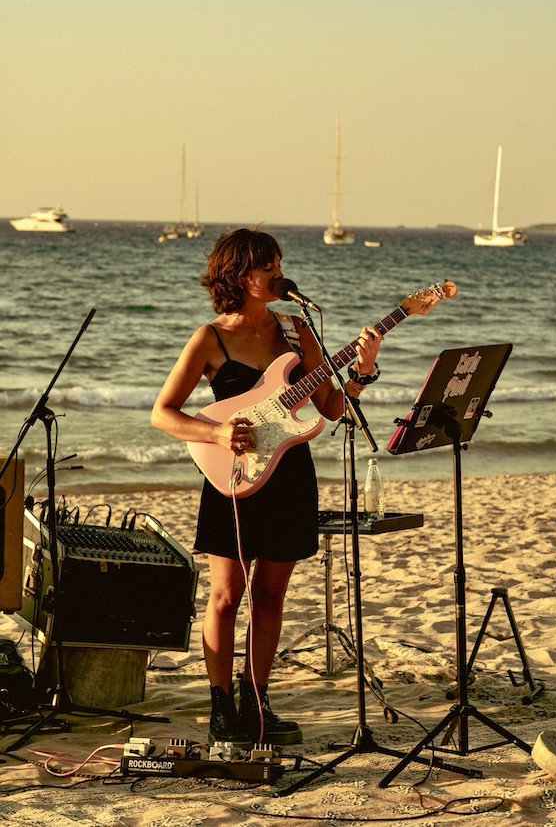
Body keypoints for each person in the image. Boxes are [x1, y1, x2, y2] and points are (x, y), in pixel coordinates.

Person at [151, 227, 382, 746]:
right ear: (239, 275)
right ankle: (219, 706)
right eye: (268, 267)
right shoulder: (210, 338)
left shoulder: (298, 331)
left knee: (271, 595)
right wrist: (215, 431)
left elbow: (329, 408)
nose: (279, 273)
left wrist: (363, 370)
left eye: (280, 263)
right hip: (230, 475)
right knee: (227, 596)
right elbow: (162, 414)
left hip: (290, 474)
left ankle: (257, 700)